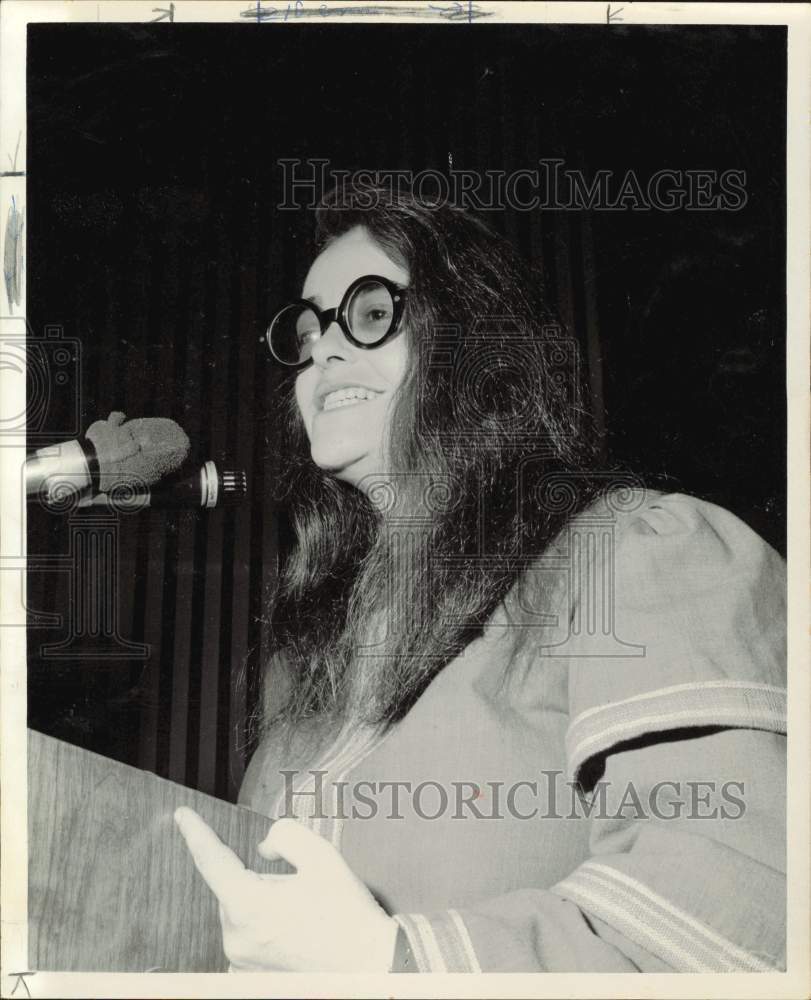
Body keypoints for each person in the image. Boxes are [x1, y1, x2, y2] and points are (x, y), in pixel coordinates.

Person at [174, 182, 787, 973]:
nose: (321, 349)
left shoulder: (631, 552)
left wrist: (391, 962)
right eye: (306, 329)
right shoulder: (307, 678)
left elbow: (743, 912)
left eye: (366, 314)